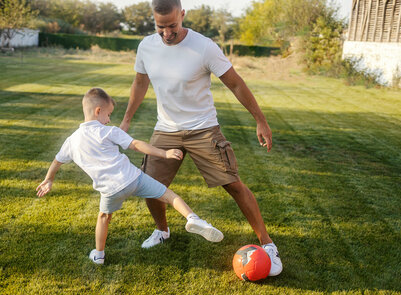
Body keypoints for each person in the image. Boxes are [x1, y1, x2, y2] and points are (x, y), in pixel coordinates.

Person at [119, 0, 282, 276]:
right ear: (153, 21)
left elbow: (235, 83)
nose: (167, 33)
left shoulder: (203, 46)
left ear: (182, 15)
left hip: (203, 129)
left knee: (233, 184)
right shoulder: (146, 46)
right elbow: (139, 82)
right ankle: (162, 231)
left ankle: (267, 244)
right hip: (166, 129)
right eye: (161, 27)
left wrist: (260, 120)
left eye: (172, 25)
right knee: (149, 185)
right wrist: (126, 120)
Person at [36, 87, 224, 265]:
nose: (109, 120)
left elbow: (57, 161)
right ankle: (193, 219)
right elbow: (136, 145)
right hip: (133, 179)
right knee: (169, 195)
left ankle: (99, 255)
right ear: (98, 111)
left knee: (103, 217)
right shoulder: (108, 131)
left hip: (109, 191)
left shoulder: (71, 141)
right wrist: (164, 153)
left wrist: (49, 179)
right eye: (108, 115)